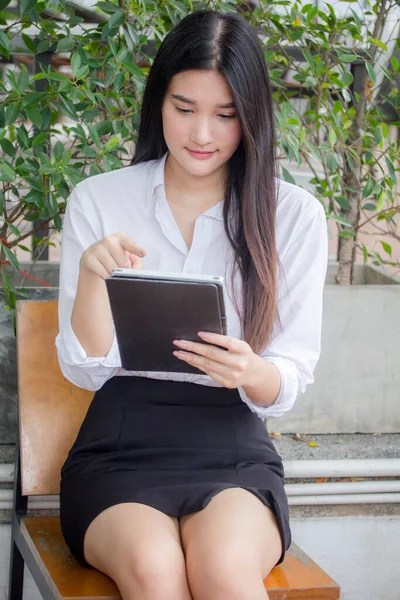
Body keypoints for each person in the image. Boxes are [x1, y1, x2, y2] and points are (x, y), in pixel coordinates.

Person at [55, 8, 328, 600]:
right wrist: (91, 277)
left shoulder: (295, 215)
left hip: (233, 443)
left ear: (252, 117)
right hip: (119, 443)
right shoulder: (98, 200)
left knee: (225, 568)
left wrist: (249, 370)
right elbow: (82, 368)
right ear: (159, 103)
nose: (202, 134)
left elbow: (292, 372)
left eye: (226, 115)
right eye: (184, 109)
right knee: (154, 570)